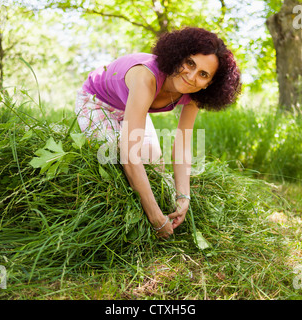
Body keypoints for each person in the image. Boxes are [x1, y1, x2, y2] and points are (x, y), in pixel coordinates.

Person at [75, 27, 241, 239]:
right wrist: (155, 218)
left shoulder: (195, 95)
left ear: (209, 84)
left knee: (157, 169)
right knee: (115, 158)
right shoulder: (147, 77)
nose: (191, 76)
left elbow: (182, 144)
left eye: (203, 74)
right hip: (97, 102)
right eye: (190, 63)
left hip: (132, 107)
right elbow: (129, 154)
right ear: (179, 55)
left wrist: (184, 195)